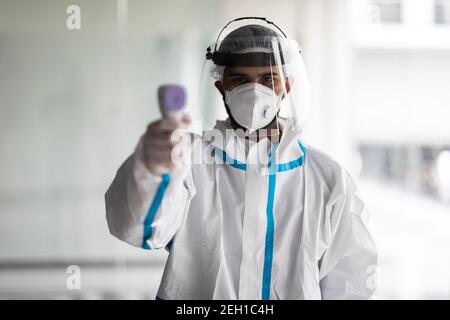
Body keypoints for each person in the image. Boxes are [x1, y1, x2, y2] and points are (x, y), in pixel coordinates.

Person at [105, 17, 378, 299]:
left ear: (287, 86)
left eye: (268, 78)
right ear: (222, 87)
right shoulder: (187, 159)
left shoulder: (327, 179)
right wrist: (152, 171)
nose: (254, 91)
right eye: (240, 79)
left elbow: (350, 282)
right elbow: (136, 229)